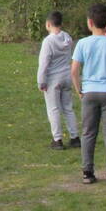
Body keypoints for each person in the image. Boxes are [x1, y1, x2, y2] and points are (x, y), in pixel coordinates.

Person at [71, 3, 106, 187]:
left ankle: (87, 172)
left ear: (89, 23)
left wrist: (79, 89)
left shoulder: (82, 43)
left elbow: (74, 70)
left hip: (89, 91)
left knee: (88, 133)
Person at [37, 11, 79, 150]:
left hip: (53, 79)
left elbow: (44, 63)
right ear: (61, 24)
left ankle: (57, 139)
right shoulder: (67, 38)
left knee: (53, 109)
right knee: (68, 108)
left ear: (48, 24)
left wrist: (41, 81)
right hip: (67, 76)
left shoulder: (48, 41)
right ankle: (75, 137)